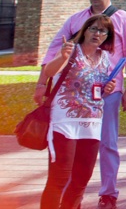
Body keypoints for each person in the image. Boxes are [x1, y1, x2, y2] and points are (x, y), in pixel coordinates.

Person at [35, 0, 126, 209]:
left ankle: (108, 193)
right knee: (67, 158)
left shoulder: (124, 20)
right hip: (71, 102)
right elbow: (54, 52)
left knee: (107, 143)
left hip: (105, 95)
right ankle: (65, 195)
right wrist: (42, 83)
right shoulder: (76, 20)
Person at [39, 13, 117, 209]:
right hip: (65, 123)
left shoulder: (105, 58)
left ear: (107, 36)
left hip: (91, 125)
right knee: (59, 178)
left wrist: (107, 89)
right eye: (93, 29)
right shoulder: (70, 50)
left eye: (102, 31)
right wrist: (63, 57)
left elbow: (99, 90)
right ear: (84, 31)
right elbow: (49, 72)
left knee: (81, 179)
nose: (97, 34)